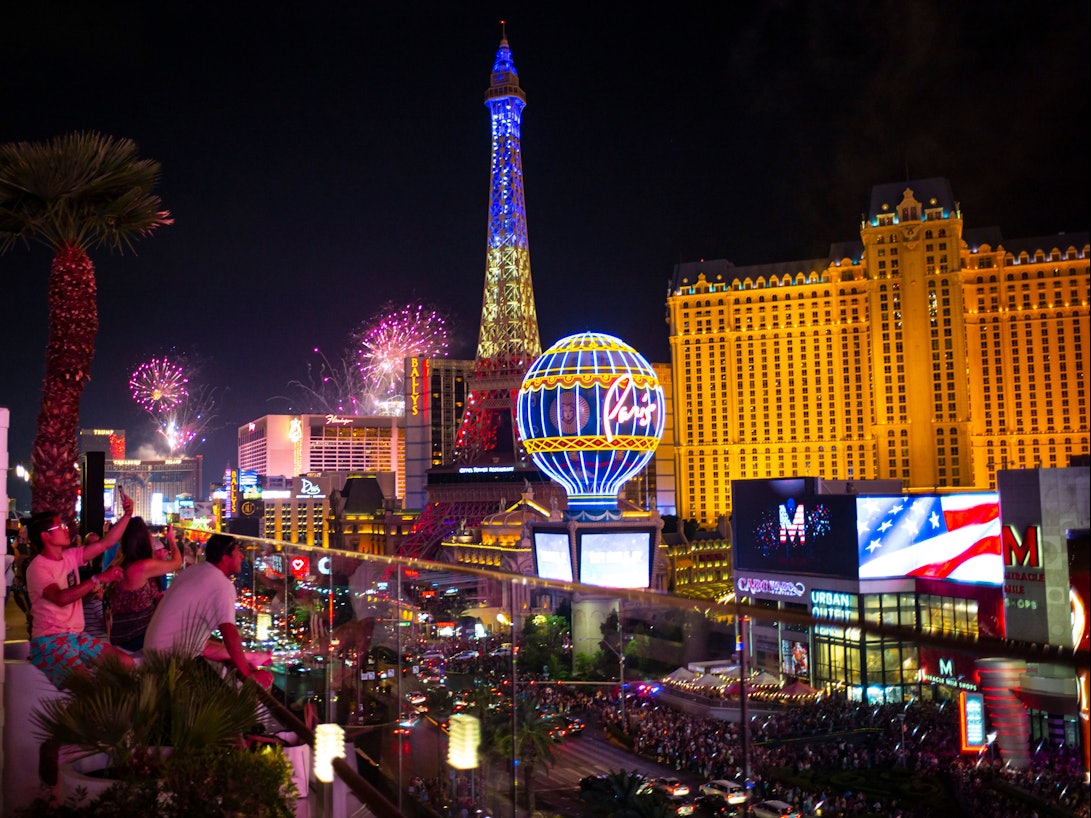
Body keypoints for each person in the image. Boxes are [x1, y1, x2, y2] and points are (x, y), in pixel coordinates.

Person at [25, 493, 135, 687]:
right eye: (60, 527)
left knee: (126, 663)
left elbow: (106, 543)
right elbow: (60, 598)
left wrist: (127, 516)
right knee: (85, 687)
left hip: (78, 638)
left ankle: (111, 710)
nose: (66, 529)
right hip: (50, 642)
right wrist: (97, 579)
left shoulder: (70, 557)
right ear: (45, 536)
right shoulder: (38, 567)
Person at [143, 533, 273, 689]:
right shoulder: (221, 585)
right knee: (225, 701)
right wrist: (248, 674)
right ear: (226, 557)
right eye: (238, 551)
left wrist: (251, 657)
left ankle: (252, 657)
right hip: (168, 667)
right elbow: (229, 633)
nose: (242, 557)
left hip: (154, 656)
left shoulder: (195, 571)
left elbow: (202, 646)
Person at [107, 519, 183, 651]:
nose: (151, 537)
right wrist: (171, 539)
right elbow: (177, 563)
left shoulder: (123, 562)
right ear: (142, 539)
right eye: (148, 533)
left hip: (124, 633)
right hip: (135, 636)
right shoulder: (141, 567)